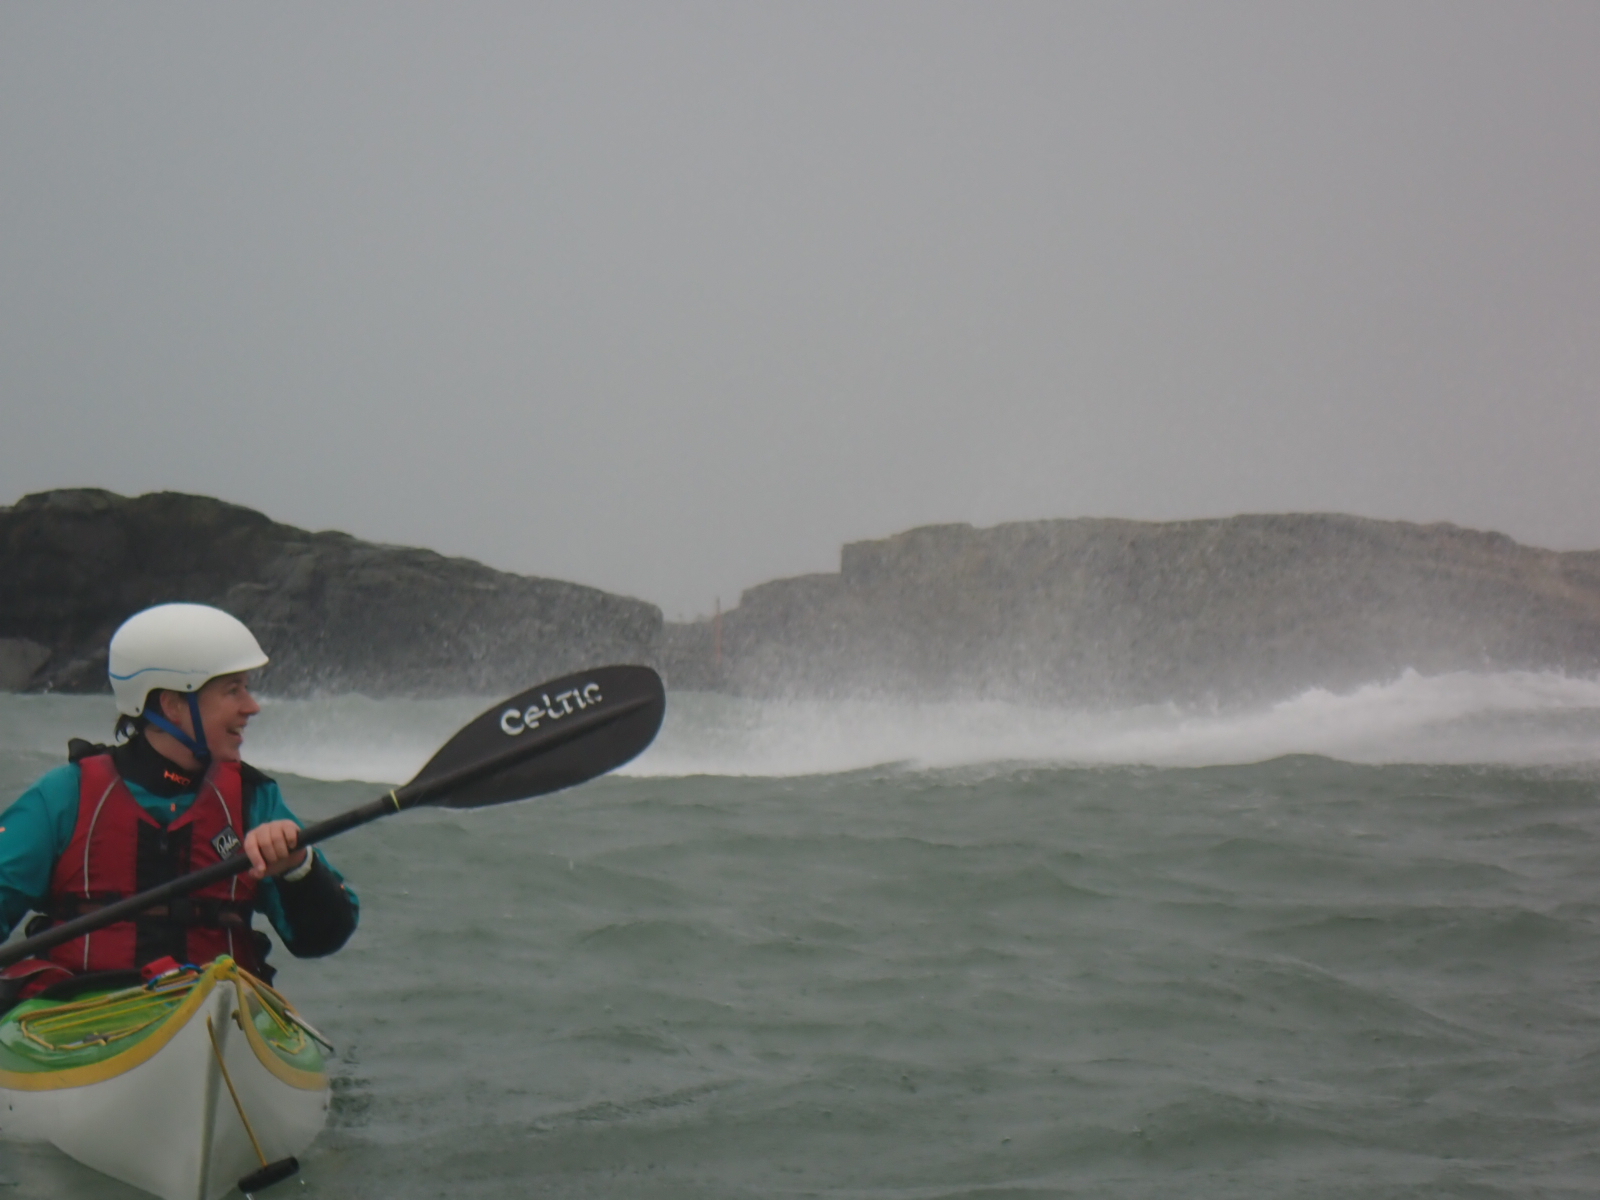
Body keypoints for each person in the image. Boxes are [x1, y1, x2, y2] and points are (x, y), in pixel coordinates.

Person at [0, 603, 358, 1004]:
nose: (251, 706)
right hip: (77, 1016)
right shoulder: (66, 795)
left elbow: (320, 939)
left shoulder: (254, 799)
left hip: (216, 1014)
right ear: (172, 705)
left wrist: (298, 868)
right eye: (233, 691)